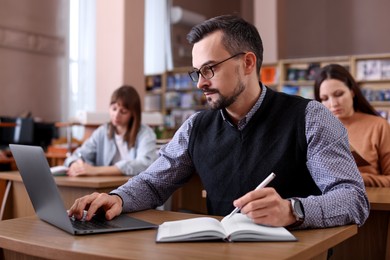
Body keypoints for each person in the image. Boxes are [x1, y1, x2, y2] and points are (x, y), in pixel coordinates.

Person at [68, 15, 369, 229]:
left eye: (209, 69)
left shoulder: (310, 117)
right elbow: (152, 182)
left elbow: (353, 199)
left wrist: (294, 210)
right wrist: (116, 198)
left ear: (248, 63)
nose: (200, 83)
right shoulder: (196, 126)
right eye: (197, 72)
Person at [314, 64, 390, 187]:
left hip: (370, 202)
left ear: (352, 91)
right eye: (325, 98)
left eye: (339, 94)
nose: (333, 104)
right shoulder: (316, 129)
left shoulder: (379, 126)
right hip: (326, 202)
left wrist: (358, 178)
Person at [64, 85, 158, 176]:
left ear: (133, 114)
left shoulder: (145, 133)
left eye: (123, 111)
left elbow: (145, 164)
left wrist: (96, 170)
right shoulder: (102, 131)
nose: (116, 115)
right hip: (107, 187)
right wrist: (74, 164)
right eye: (114, 109)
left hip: (133, 187)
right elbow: (78, 154)